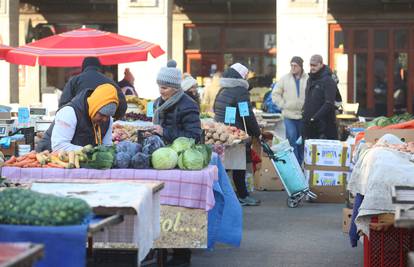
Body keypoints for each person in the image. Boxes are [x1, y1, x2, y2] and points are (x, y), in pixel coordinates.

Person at [151, 61, 201, 266]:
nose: (160, 91)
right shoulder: (157, 103)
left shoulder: (188, 105)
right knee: (158, 207)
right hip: (161, 161)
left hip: (180, 164)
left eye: (164, 87)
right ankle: (156, 248)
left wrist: (165, 132)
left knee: (178, 207)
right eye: (159, 87)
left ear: (175, 87)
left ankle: (181, 254)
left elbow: (193, 136)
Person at [213, 63, 261, 206]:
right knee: (239, 163)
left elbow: (215, 108)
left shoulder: (223, 89)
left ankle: (220, 192)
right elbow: (247, 115)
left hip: (222, 130)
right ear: (241, 76)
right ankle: (242, 195)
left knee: (226, 163)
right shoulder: (240, 91)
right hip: (237, 131)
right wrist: (256, 132)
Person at [36, 83, 118, 152]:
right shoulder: (69, 113)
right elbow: (59, 146)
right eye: (102, 114)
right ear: (94, 107)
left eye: (108, 116)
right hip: (47, 159)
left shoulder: (108, 120)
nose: (105, 119)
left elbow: (107, 146)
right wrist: (90, 152)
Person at [59, 57, 127, 120]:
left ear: (83, 67)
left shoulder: (74, 80)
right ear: (100, 67)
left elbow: (63, 105)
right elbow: (122, 107)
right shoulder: (110, 82)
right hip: (102, 126)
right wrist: (108, 117)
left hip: (79, 125)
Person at [272, 56, 308, 165]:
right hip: (289, 115)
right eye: (291, 65)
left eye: (295, 65)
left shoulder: (307, 79)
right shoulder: (284, 79)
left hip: (303, 115)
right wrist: (283, 105)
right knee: (292, 139)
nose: (293, 67)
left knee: (302, 141)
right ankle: (295, 164)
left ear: (301, 66)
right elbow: (275, 94)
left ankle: (302, 162)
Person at [303, 55, 338, 140]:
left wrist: (314, 118)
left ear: (321, 64)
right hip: (309, 125)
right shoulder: (310, 79)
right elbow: (308, 99)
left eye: (314, 65)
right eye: (311, 65)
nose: (312, 67)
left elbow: (329, 103)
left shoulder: (328, 80)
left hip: (323, 127)